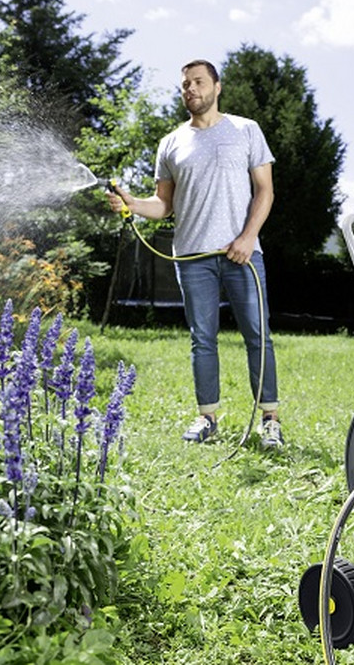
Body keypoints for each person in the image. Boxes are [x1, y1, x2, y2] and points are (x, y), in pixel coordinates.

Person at [107, 59, 283, 450]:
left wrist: (247, 237)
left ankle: (269, 419)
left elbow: (265, 191)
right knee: (202, 339)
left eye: (199, 82)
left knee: (259, 335)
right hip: (192, 258)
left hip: (242, 253)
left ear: (217, 87)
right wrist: (132, 203)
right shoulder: (171, 143)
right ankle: (207, 417)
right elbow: (163, 204)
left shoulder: (245, 130)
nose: (191, 89)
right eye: (185, 84)